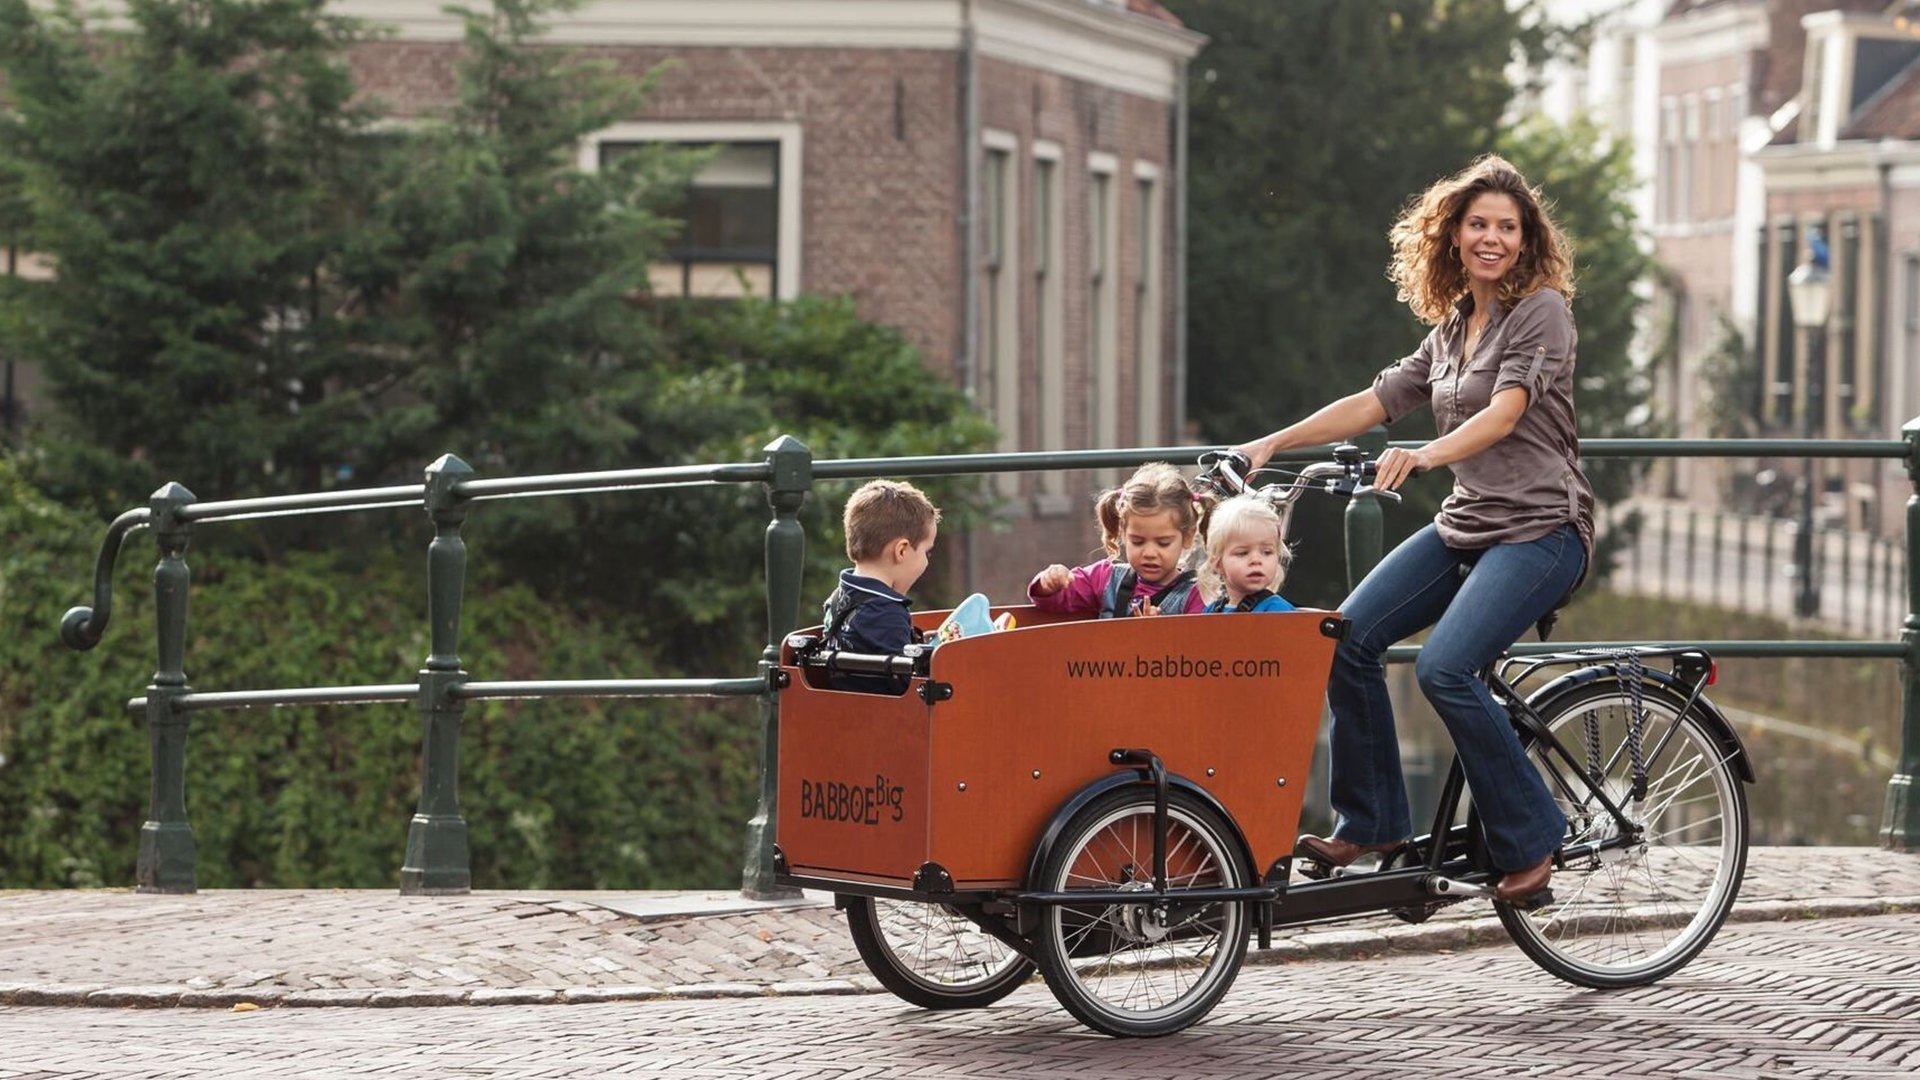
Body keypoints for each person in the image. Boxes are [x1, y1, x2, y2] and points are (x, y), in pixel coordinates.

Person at [1232, 155, 1592, 906]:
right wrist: (1271, 443)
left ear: (1526, 242)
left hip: (1541, 531)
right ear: (1454, 235)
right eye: (1478, 224)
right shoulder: (1455, 325)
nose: (1491, 238)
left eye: (1507, 227)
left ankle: (1533, 839)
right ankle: (1374, 824)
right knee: (1347, 637)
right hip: (1470, 527)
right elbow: (1374, 401)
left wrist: (1425, 453)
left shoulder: (1543, 312)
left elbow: (1508, 412)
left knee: (1444, 670)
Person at [1029, 462, 1209, 617]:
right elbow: (1055, 601)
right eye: (1137, 541)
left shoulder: (1196, 595)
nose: (1149, 553)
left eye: (1163, 543)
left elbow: (1197, 649)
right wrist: (1049, 583)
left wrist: (1158, 634)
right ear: (1123, 534)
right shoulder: (1105, 578)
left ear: (1187, 537)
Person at [819, 480, 941, 693]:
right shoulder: (885, 612)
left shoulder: (839, 597)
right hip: (883, 718)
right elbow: (908, 685)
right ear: (902, 550)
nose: (927, 561)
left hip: (843, 708)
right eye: (926, 552)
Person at [1198, 495, 1298, 614]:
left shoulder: (1277, 611)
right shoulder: (1210, 612)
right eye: (1242, 553)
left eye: (1267, 552)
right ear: (1218, 563)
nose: (1256, 560)